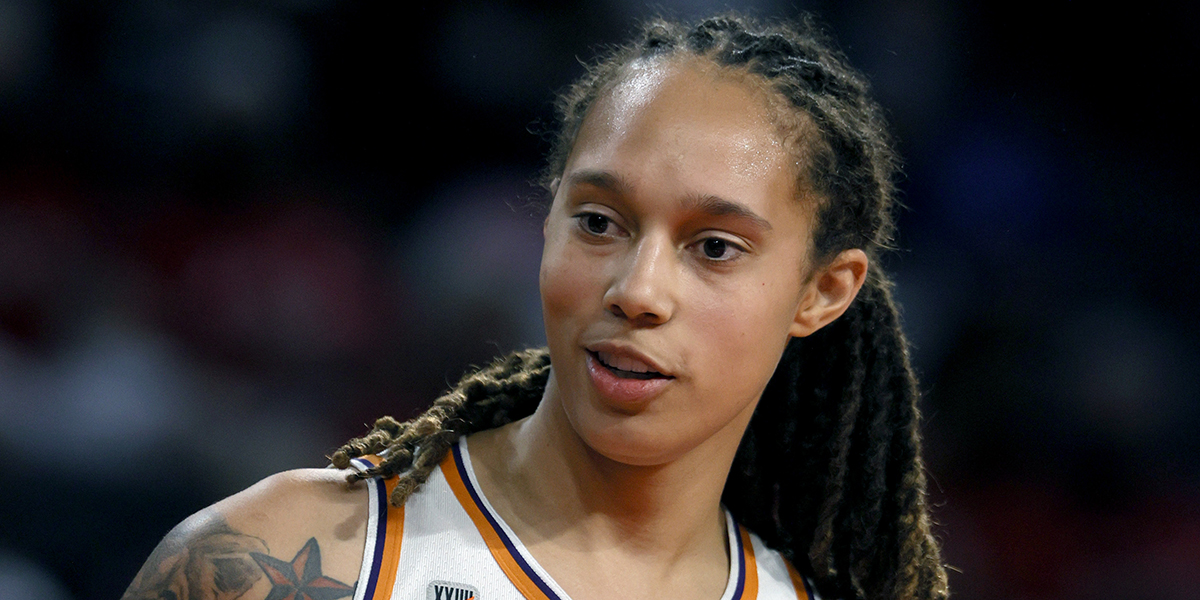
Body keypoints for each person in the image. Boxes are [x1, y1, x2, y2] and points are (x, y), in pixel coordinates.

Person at [121, 12, 948, 600]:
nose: (637, 290)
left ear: (822, 291)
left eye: (715, 247)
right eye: (599, 223)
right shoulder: (276, 561)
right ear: (547, 221)